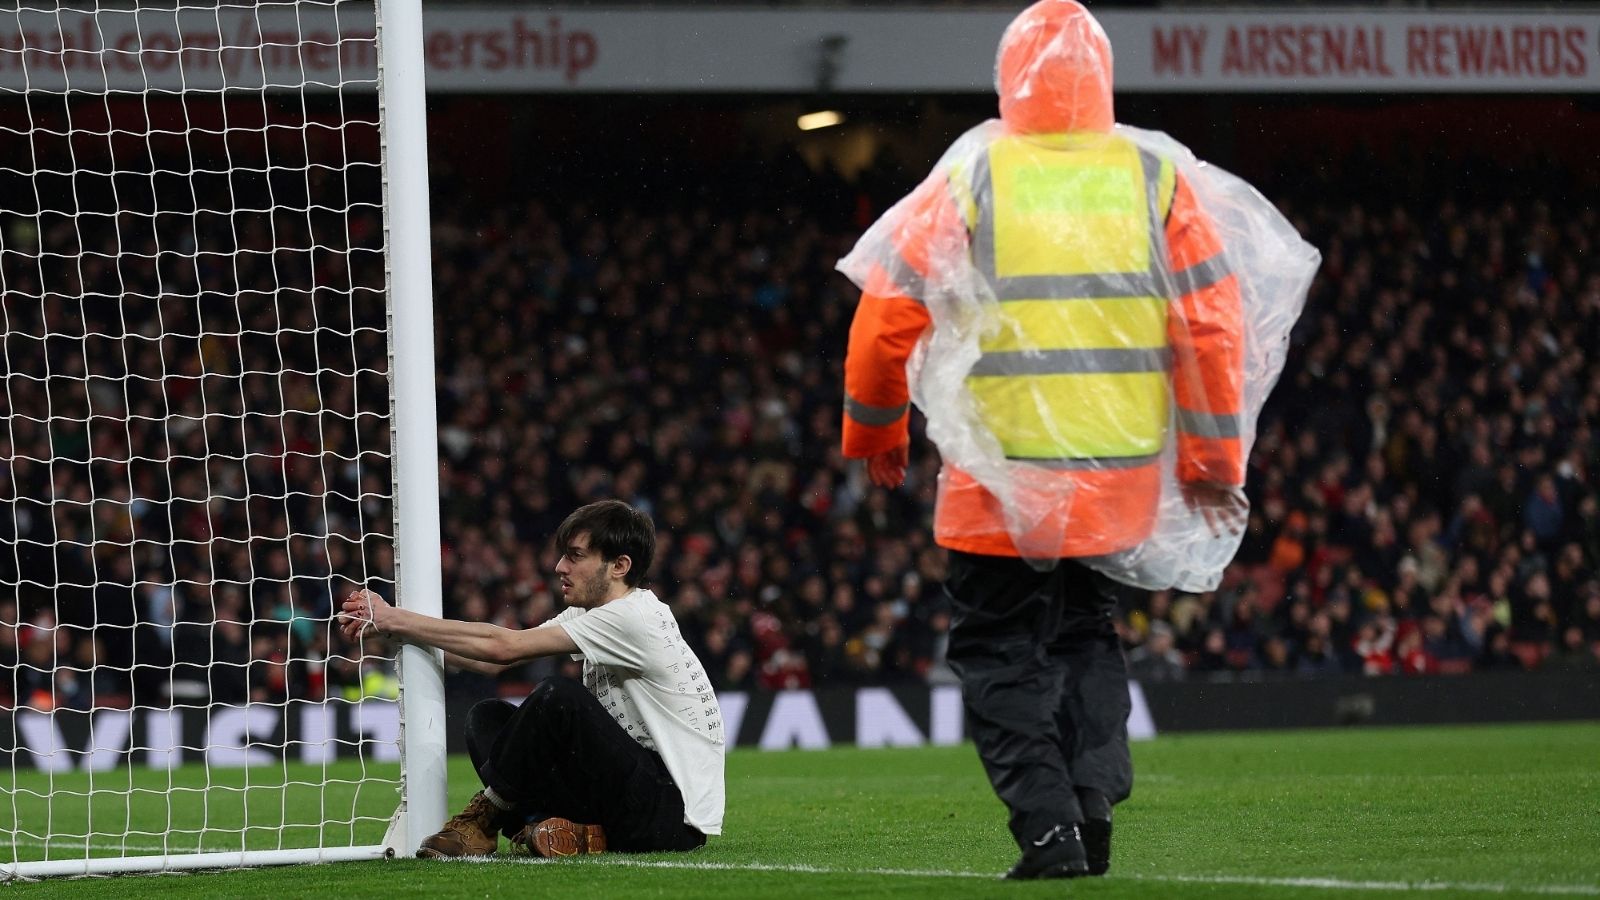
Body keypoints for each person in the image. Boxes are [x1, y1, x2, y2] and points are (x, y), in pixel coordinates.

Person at [840, 0, 1248, 880]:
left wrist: (876, 426)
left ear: (1006, 76)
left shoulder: (977, 173)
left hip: (1002, 477)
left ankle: (1050, 829)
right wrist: (1212, 462)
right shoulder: (1155, 175)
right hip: (1119, 476)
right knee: (1087, 636)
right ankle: (1091, 805)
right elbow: (1213, 325)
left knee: (998, 654)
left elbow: (886, 311)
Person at [339, 499, 724, 859]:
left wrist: (395, 617)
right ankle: (550, 830)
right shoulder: (594, 614)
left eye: (575, 556)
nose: (559, 567)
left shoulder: (633, 617)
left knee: (560, 696)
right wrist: (394, 631)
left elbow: (503, 647)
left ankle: (484, 820)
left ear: (619, 566)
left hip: (671, 816)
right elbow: (492, 662)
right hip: (626, 797)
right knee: (487, 719)